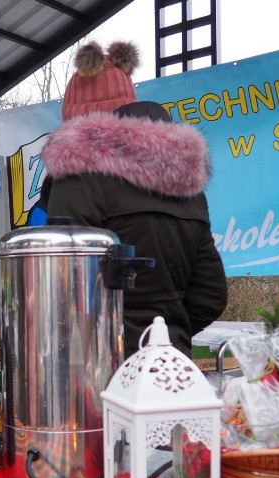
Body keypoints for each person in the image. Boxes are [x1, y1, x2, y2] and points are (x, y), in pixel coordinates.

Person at [37, 41, 226, 358]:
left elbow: (61, 290)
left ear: (80, 118)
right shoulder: (186, 181)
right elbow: (211, 295)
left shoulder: (78, 176)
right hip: (171, 364)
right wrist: (163, 335)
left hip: (96, 370)